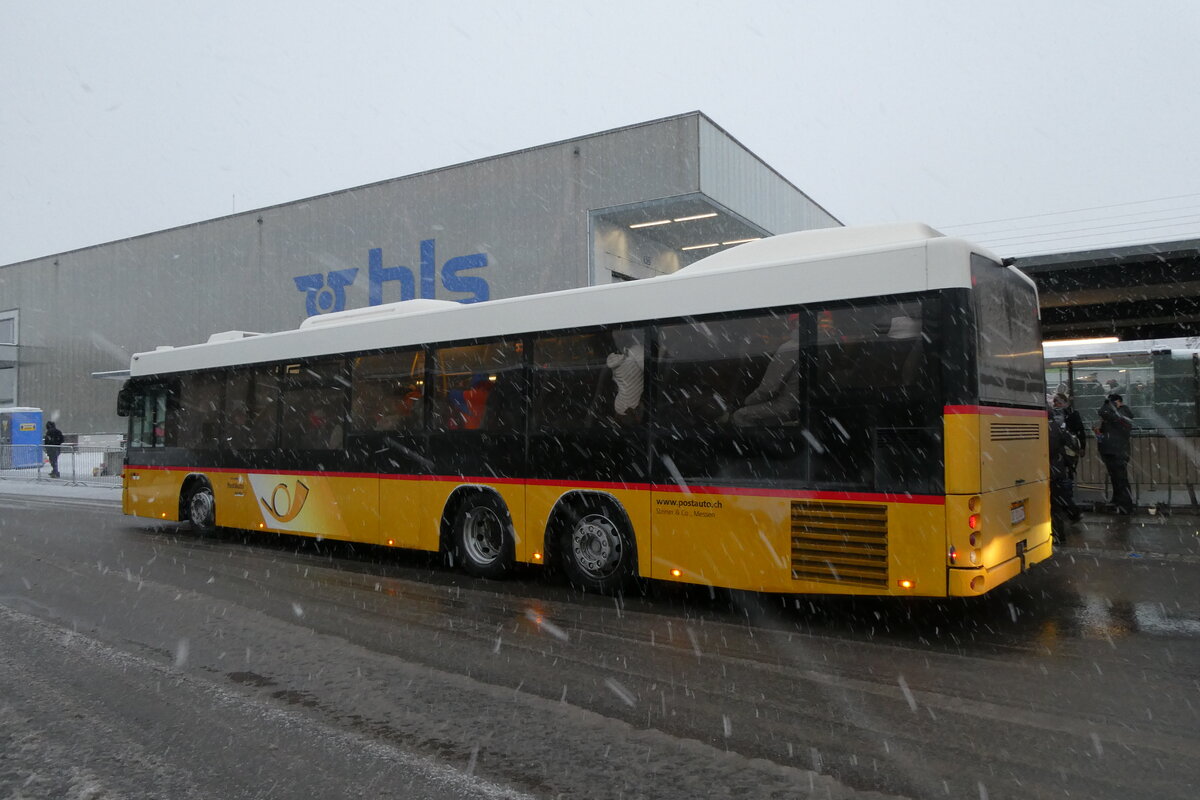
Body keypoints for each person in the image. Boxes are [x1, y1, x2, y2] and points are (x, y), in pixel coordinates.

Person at [731, 315, 801, 427]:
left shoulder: (789, 348)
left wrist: (744, 403)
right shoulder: (812, 343)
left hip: (788, 406)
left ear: (792, 326)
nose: (767, 339)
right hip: (801, 405)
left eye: (768, 335)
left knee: (740, 415)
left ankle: (759, 443)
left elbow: (768, 389)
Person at [1048, 394, 1083, 537]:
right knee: (1059, 498)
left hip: (1049, 469)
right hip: (1058, 468)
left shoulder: (1042, 428)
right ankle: (1070, 517)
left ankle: (1058, 534)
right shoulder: (1057, 428)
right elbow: (1069, 441)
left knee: (1055, 503)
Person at [1096, 393, 1135, 514]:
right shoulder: (1112, 415)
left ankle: (1125, 504)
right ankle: (1118, 500)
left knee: (1120, 478)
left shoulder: (1123, 412)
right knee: (1115, 478)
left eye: (1112, 403)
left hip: (1118, 451)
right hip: (1109, 450)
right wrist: (1099, 433)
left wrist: (1108, 407)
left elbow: (1106, 414)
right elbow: (1104, 417)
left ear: (1118, 402)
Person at [606, 335, 644, 425]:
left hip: (622, 407)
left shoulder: (612, 361)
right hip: (633, 406)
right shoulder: (638, 352)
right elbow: (652, 373)